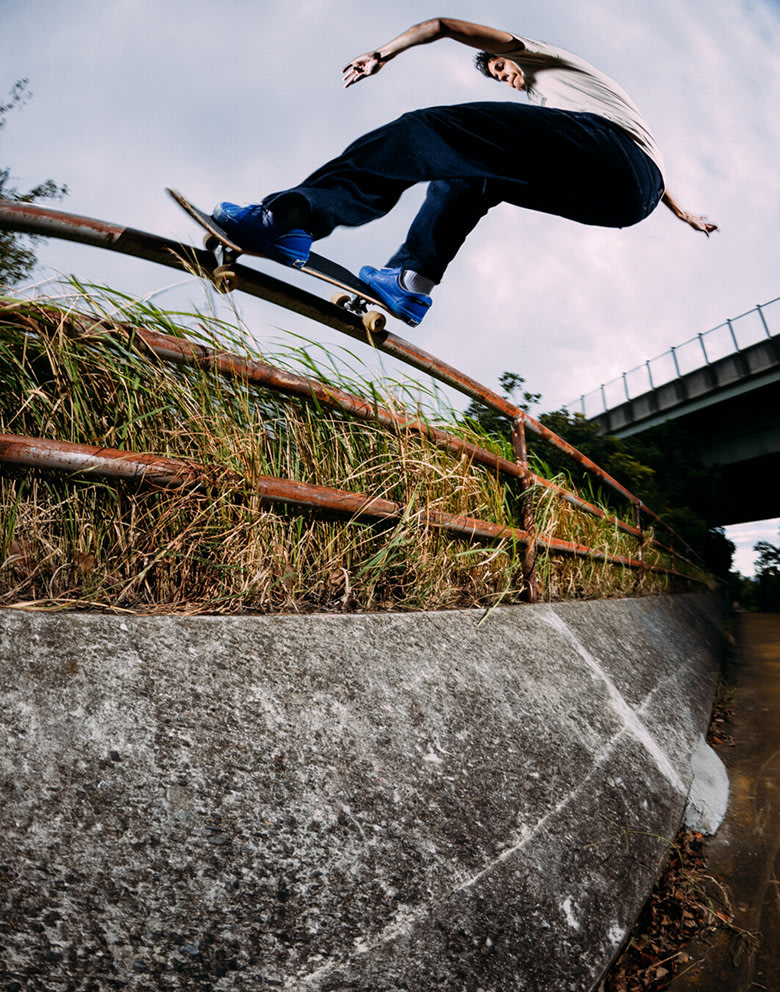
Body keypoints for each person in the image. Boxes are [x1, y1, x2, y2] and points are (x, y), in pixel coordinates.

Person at [213, 18, 717, 326]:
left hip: (612, 158)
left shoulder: (548, 62)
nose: (507, 77)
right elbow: (642, 171)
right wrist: (682, 212)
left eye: (503, 68)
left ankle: (288, 218)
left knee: (430, 130)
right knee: (469, 175)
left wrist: (382, 54)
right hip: (627, 197)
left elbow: (443, 25)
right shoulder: (564, 110)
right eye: (500, 75)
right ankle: (412, 282)